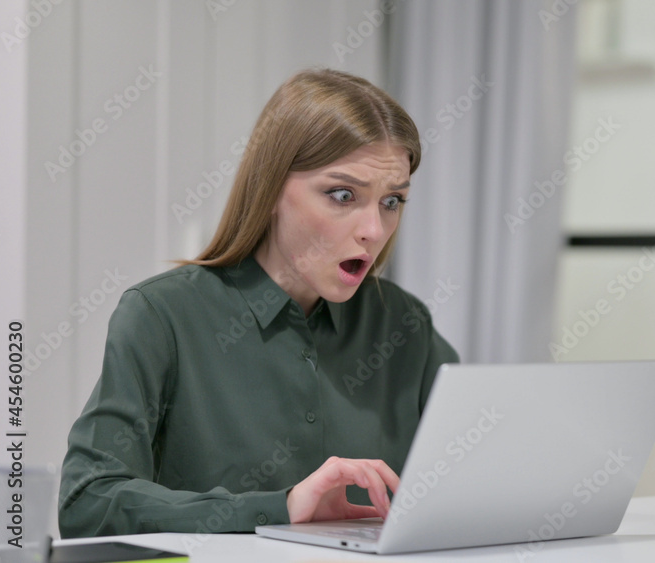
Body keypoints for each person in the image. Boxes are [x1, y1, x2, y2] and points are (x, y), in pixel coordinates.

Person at [58, 68, 459, 538]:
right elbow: (86, 503)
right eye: (342, 194)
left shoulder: (405, 324)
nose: (373, 229)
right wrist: (280, 507)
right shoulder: (162, 316)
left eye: (392, 201)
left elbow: (478, 480)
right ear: (270, 189)